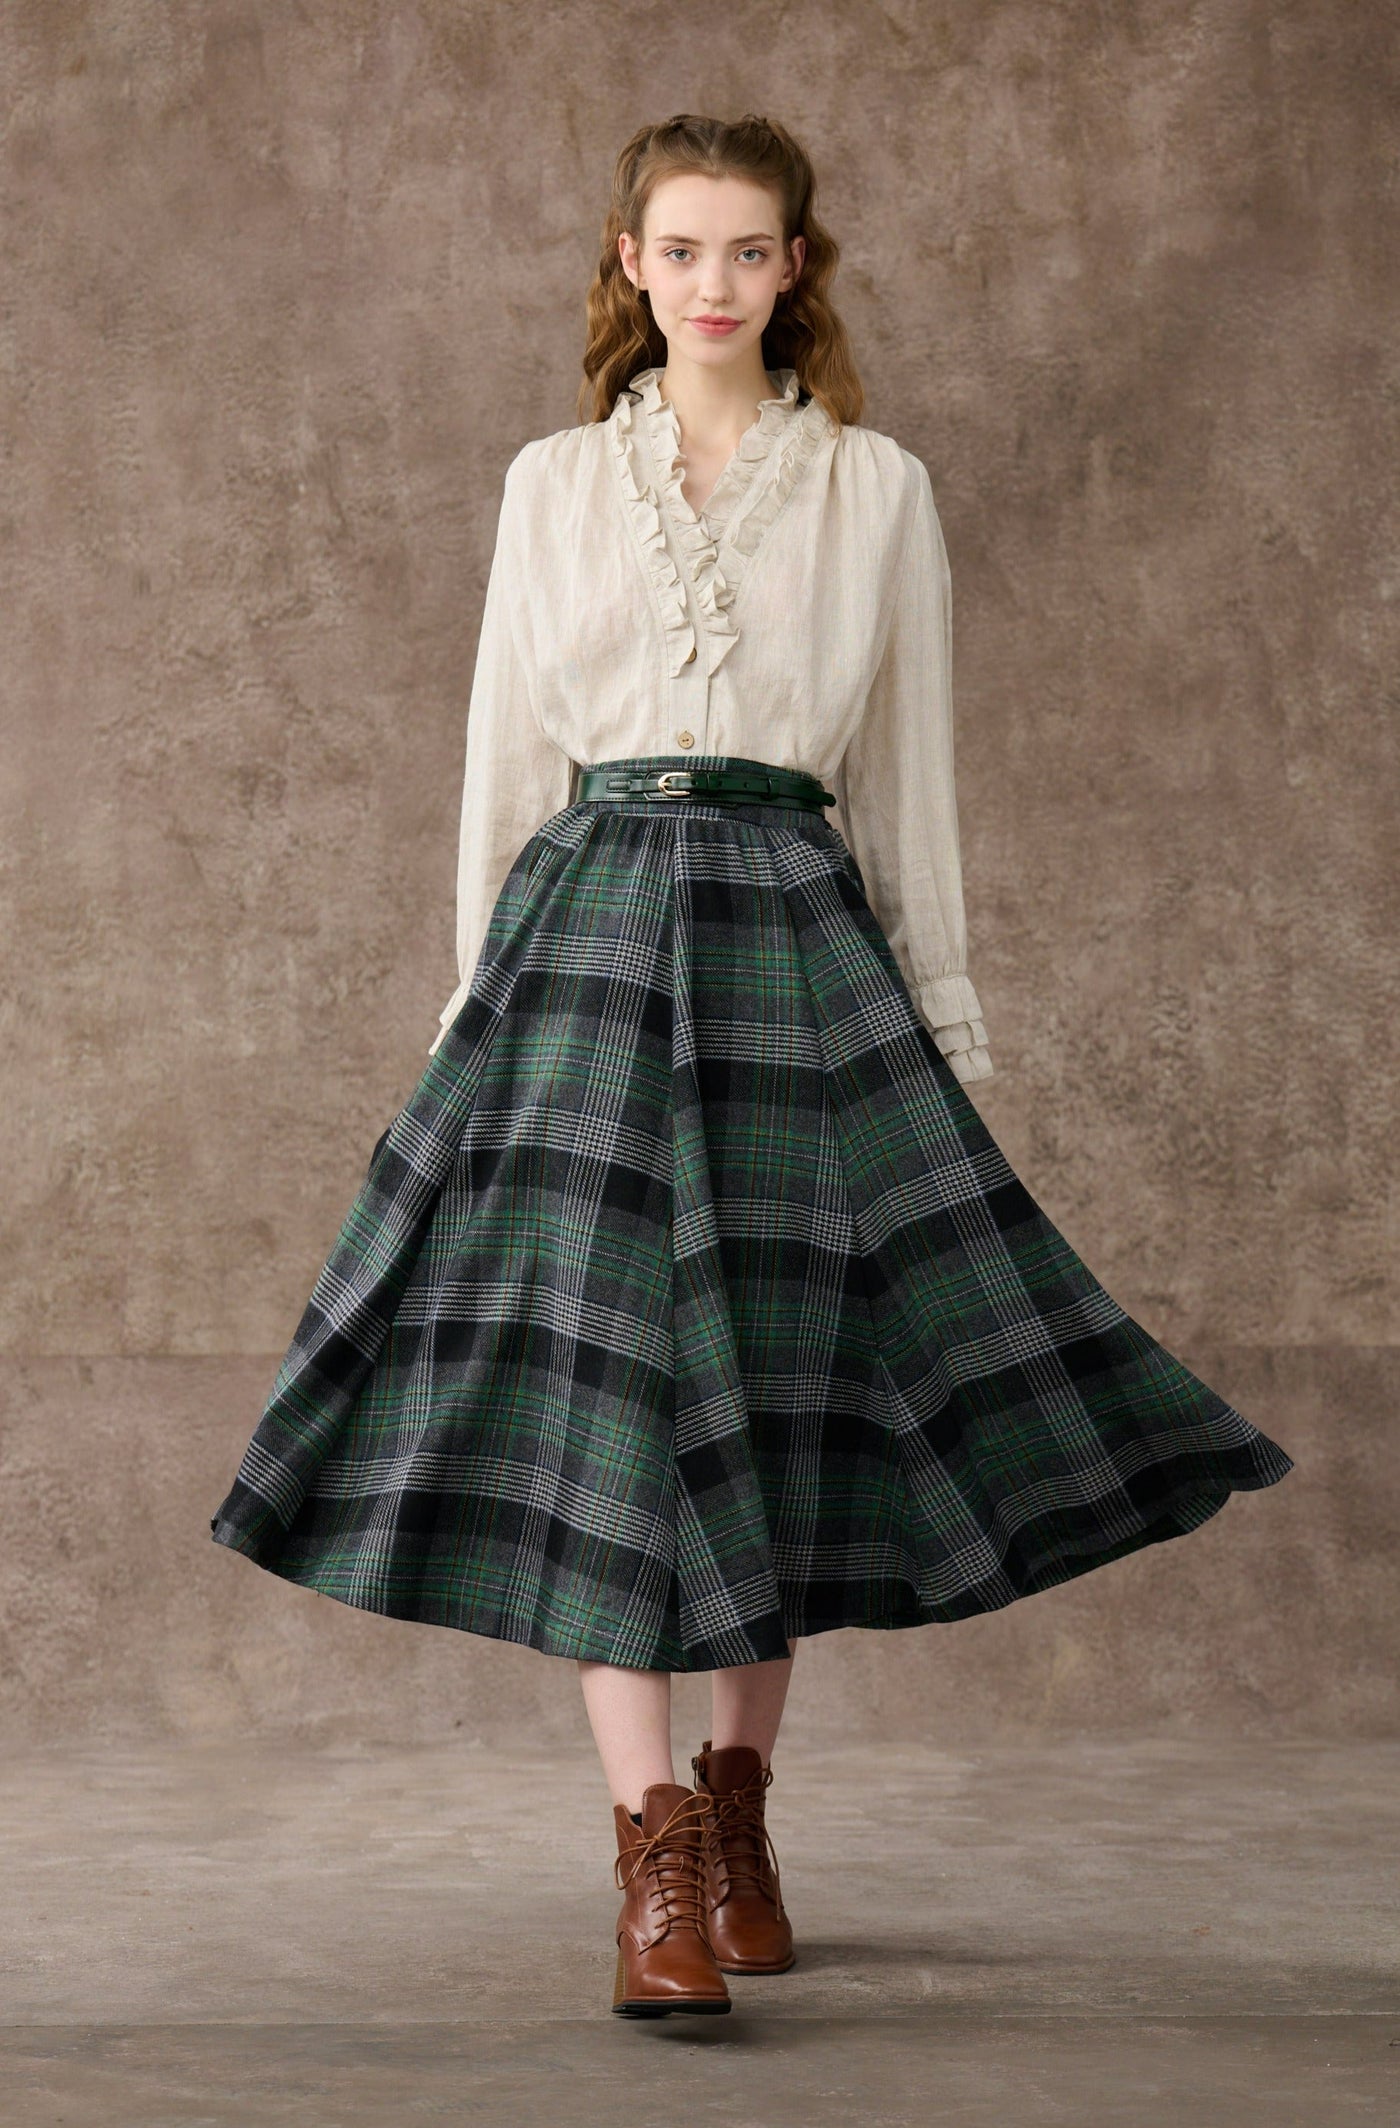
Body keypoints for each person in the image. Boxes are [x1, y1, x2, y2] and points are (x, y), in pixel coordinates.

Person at [209, 112, 1295, 2021]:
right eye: (682, 248)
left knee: (774, 1394)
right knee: (615, 1401)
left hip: (796, 944)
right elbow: (503, 761)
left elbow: (908, 777)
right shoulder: (553, 483)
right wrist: (478, 1002)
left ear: (797, 266)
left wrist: (938, 1013)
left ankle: (737, 1815)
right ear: (629, 261)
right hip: (586, 946)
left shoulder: (878, 489)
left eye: (748, 250)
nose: (713, 283)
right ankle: (649, 1859)